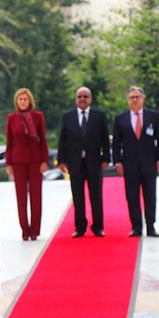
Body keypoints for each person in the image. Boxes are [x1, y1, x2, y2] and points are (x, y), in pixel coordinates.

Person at [57, 87, 110, 237]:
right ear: (75, 99)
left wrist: (106, 158)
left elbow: (105, 139)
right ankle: (80, 228)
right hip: (75, 163)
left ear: (90, 99)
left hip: (94, 162)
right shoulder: (68, 117)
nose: (82, 99)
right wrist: (61, 160)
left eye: (85, 96)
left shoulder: (99, 116)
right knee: (78, 197)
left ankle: (98, 227)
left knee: (96, 196)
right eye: (79, 96)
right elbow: (63, 140)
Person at [114, 86, 159, 237]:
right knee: (132, 196)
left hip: (149, 163)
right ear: (128, 100)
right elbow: (117, 143)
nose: (135, 100)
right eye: (132, 97)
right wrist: (117, 162)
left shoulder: (153, 116)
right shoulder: (121, 118)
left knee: (150, 196)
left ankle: (151, 226)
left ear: (143, 99)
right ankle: (136, 226)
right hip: (129, 164)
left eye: (137, 97)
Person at [4, 87, 48, 241]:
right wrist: (8, 163)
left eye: (25, 99)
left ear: (30, 101)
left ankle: (35, 230)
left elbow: (43, 140)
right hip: (18, 162)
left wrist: (44, 161)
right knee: (21, 198)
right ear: (16, 101)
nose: (23, 102)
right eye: (20, 99)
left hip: (36, 161)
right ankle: (25, 230)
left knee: (36, 197)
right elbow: (8, 142)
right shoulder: (11, 118)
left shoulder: (38, 117)